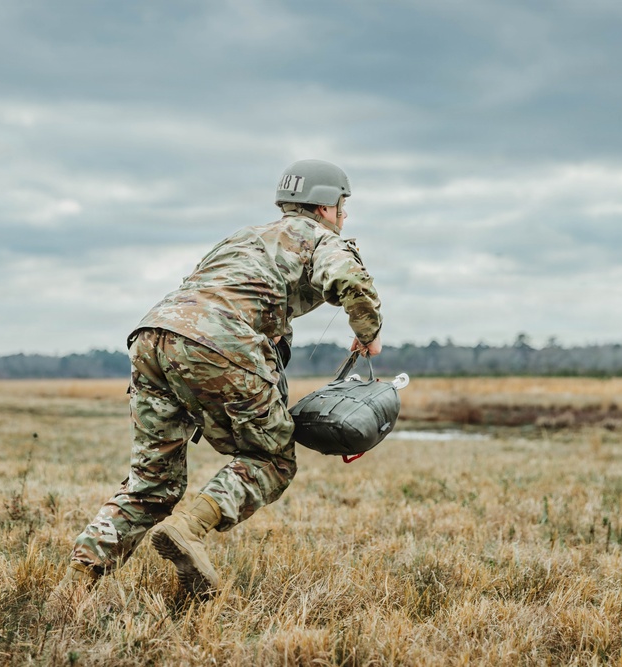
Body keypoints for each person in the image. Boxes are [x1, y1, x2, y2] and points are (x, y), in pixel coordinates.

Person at [58, 159, 383, 598]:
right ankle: (189, 532)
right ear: (328, 206)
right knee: (272, 459)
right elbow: (350, 280)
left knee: (153, 482)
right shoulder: (318, 237)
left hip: (155, 336)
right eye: (343, 205)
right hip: (217, 339)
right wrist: (369, 335)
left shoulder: (242, 237)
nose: (344, 215)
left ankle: (77, 581)